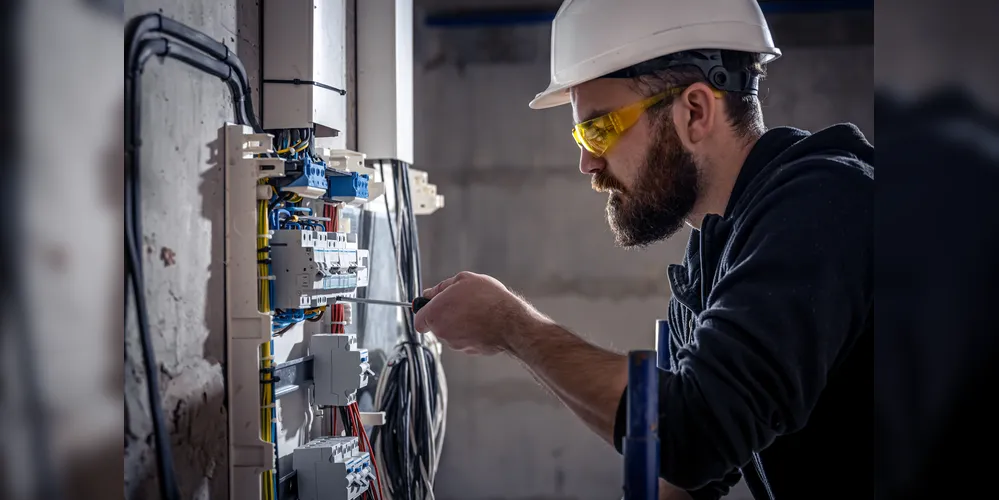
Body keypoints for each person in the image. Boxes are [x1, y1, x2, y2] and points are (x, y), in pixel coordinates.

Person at [413, 1, 873, 498]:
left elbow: (696, 430)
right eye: (581, 134)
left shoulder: (825, 205)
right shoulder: (715, 256)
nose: (588, 163)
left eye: (600, 129)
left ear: (695, 111)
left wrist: (512, 326)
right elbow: (682, 468)